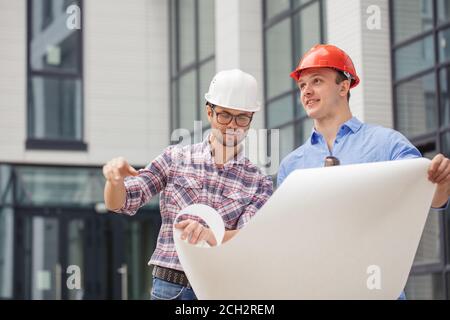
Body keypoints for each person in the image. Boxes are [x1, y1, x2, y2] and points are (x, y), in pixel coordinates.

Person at [277, 44, 450, 300]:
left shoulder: (386, 144)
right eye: (302, 85)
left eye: (316, 81)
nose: (307, 91)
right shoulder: (291, 165)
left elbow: (433, 198)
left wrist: (441, 179)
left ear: (344, 86)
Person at [103, 69, 273, 300]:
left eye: (242, 117)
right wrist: (115, 181)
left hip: (220, 289)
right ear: (209, 112)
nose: (233, 125)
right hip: (170, 286)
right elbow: (122, 202)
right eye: (224, 115)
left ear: (250, 120)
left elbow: (248, 238)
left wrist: (210, 234)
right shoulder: (175, 158)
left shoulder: (258, 182)